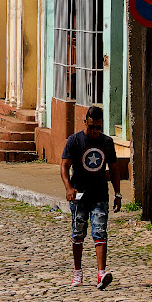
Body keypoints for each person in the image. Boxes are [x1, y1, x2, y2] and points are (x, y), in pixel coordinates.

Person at [61, 105, 121, 289]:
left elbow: (114, 169)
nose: (95, 131)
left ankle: (101, 274)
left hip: (100, 194)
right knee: (78, 233)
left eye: (99, 127)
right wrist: (69, 188)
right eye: (92, 127)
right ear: (85, 122)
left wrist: (118, 193)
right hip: (79, 195)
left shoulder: (107, 142)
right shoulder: (75, 141)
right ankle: (77, 271)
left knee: (100, 232)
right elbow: (64, 167)